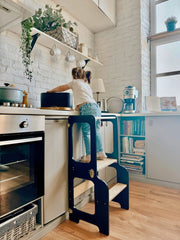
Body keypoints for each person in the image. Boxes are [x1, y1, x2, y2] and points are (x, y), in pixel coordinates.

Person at [47, 67, 107, 162]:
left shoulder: (74, 82)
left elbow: (62, 88)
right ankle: (101, 152)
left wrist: (51, 91)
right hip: (95, 107)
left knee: (87, 132)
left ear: (74, 75)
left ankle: (89, 155)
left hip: (87, 108)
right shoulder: (85, 84)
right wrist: (79, 106)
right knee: (96, 130)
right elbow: (85, 97)